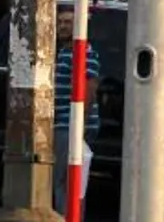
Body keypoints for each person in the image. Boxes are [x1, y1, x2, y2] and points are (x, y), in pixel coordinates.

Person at [51, 20, 101, 217]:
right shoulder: (65, 52)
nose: (62, 26)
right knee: (71, 181)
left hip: (70, 125)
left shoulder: (85, 53)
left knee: (66, 181)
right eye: (60, 22)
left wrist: (80, 125)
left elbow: (89, 90)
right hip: (65, 124)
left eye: (69, 22)